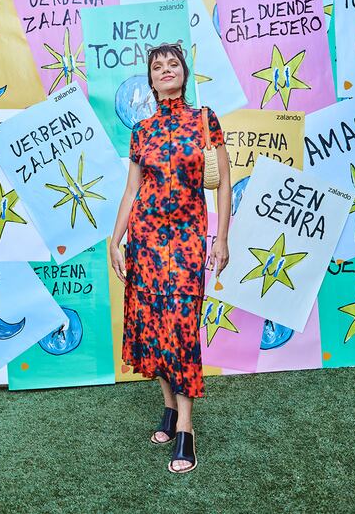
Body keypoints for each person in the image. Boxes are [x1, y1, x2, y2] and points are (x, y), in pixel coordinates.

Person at [110, 43, 231, 474]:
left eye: (172, 64)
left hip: (186, 242)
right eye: (157, 66)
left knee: (180, 328)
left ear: (184, 71)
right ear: (151, 78)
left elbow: (223, 184)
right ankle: (167, 408)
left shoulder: (204, 120)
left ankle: (186, 428)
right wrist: (115, 238)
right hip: (144, 241)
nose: (166, 70)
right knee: (153, 326)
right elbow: (131, 191)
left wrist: (222, 239)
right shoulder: (141, 130)